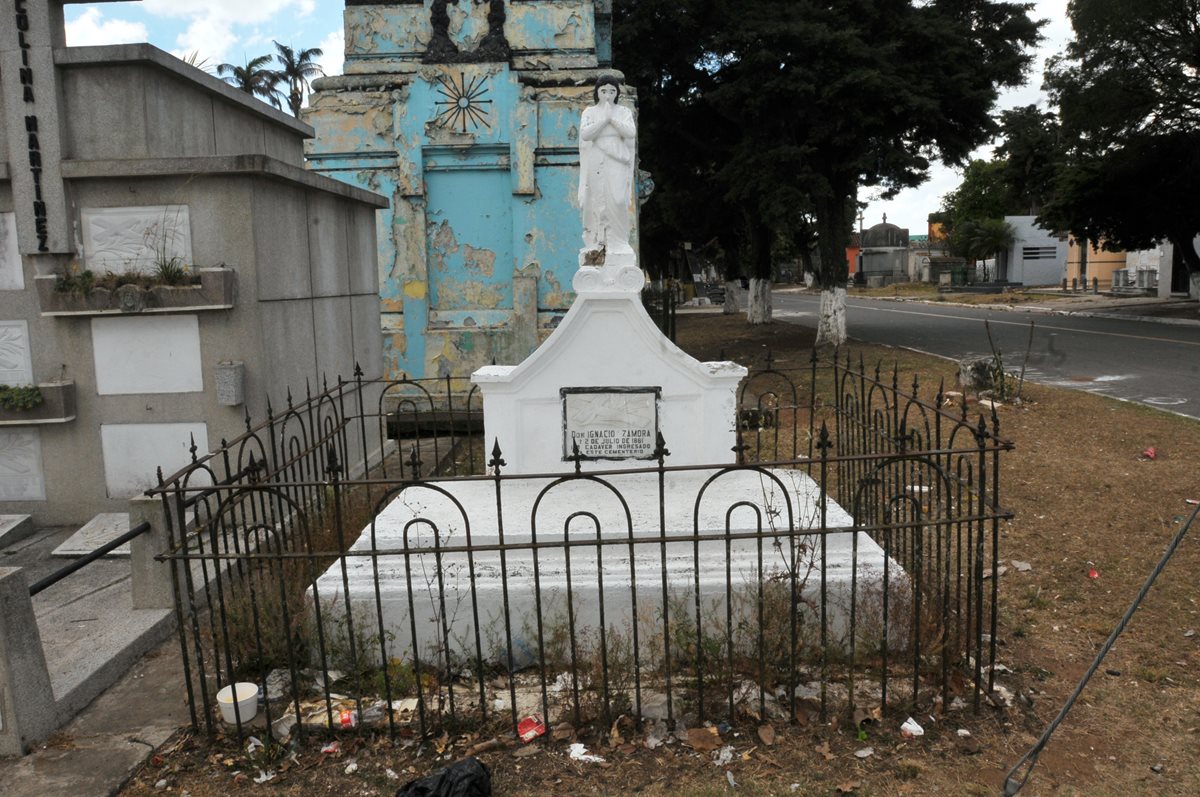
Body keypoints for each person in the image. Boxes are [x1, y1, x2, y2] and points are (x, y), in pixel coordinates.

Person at [578, 76, 636, 257]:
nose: (608, 95)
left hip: (617, 158)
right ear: (597, 93)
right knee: (598, 199)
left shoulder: (624, 111)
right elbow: (586, 135)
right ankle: (599, 241)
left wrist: (612, 119)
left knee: (618, 199)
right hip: (597, 158)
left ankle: (619, 242)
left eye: (612, 91)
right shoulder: (589, 112)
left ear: (617, 93)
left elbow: (630, 132)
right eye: (603, 91)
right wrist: (604, 119)